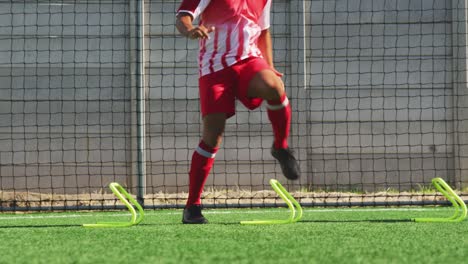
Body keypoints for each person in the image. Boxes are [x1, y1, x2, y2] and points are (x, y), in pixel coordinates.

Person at [175, 0, 300, 224]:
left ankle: (280, 147)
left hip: (249, 60)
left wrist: (269, 66)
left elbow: (263, 32)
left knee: (274, 86)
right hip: (215, 67)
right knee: (213, 136)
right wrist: (191, 30)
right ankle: (192, 206)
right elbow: (183, 17)